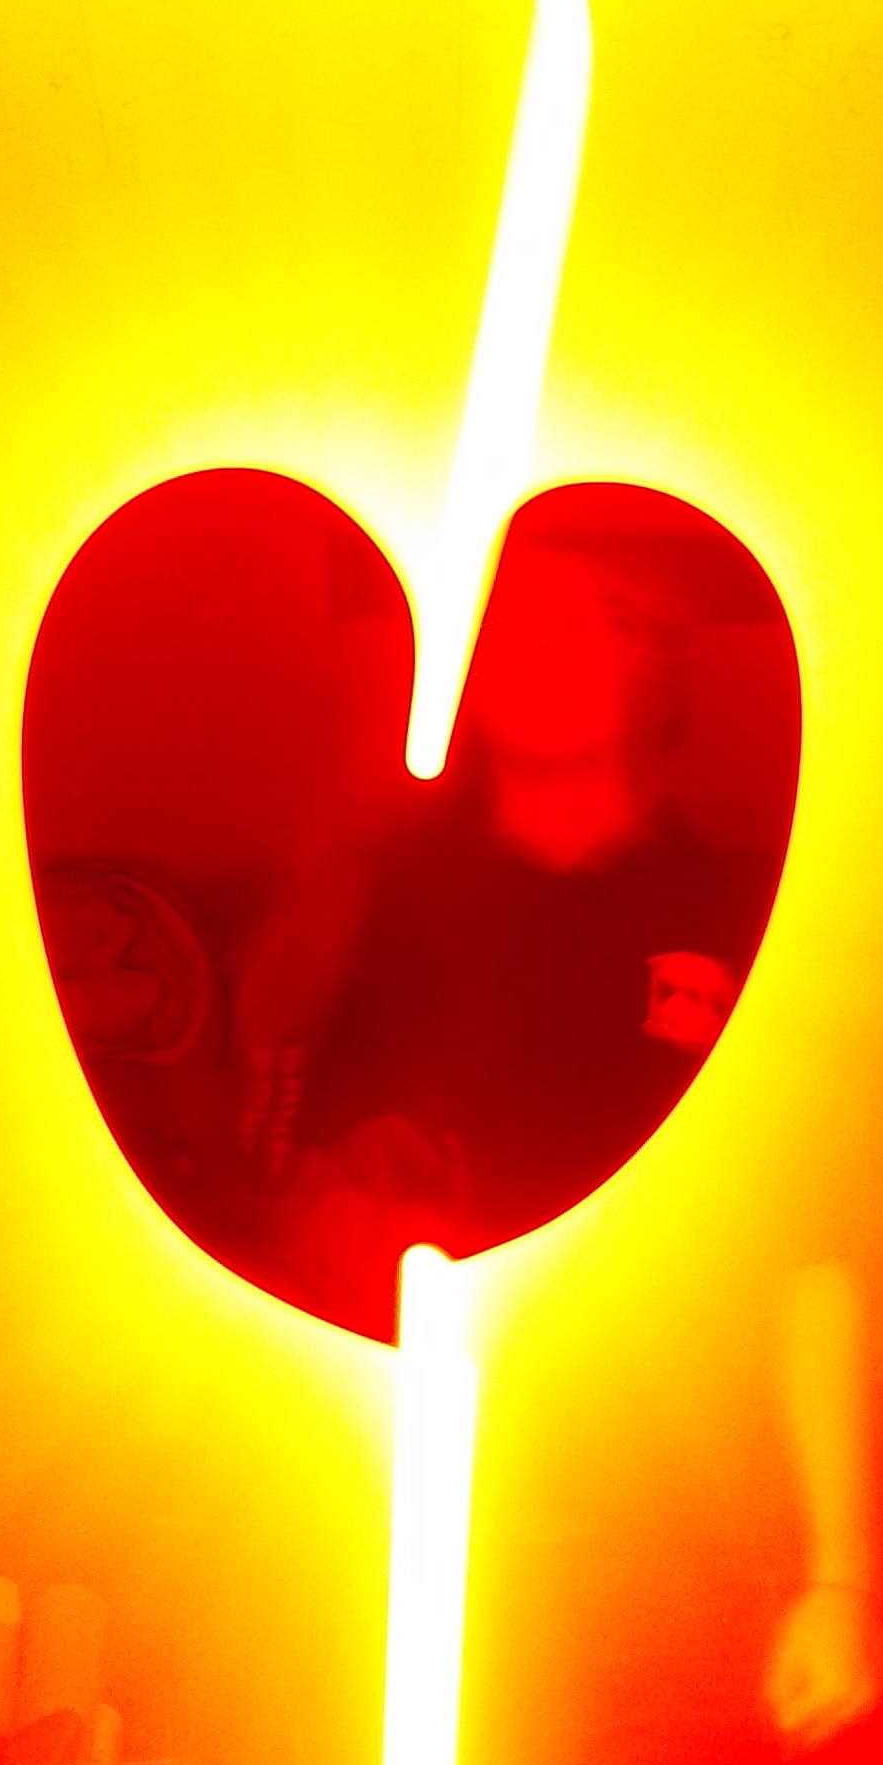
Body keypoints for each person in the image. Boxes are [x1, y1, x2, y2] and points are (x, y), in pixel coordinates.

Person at [258, 538, 784, 1331]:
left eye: (590, 621)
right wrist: (353, 1183)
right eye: (509, 622)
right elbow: (295, 1155)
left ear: (656, 656)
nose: (543, 648)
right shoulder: (382, 892)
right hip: (429, 1334)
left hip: (675, 1332)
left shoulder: (745, 907)